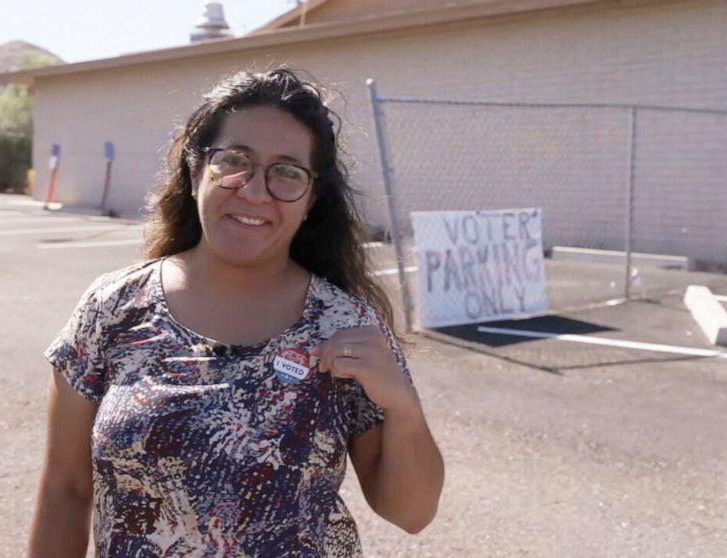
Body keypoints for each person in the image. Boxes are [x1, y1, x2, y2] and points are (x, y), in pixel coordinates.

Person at [28, 68, 444, 558]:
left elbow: (410, 513)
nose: (253, 190)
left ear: (311, 198)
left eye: (287, 172)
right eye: (234, 161)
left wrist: (404, 409)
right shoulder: (113, 307)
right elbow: (65, 490)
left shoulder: (344, 325)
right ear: (194, 169)